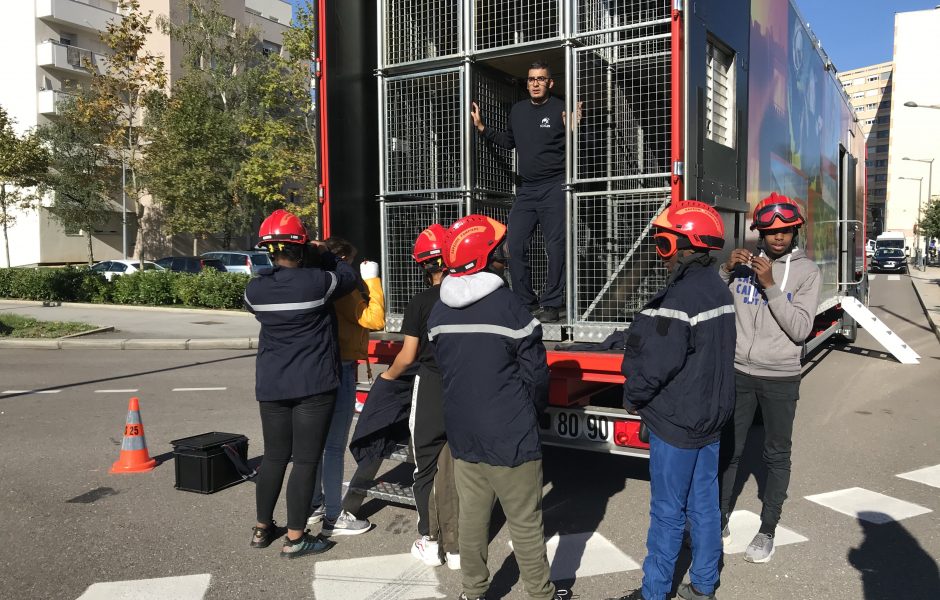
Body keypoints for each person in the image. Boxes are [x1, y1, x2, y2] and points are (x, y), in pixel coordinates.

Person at [427, 215, 560, 600]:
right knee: (526, 522)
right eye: (500, 250)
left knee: (472, 518)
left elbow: (445, 366)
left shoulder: (440, 311)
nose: (506, 255)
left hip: (464, 434)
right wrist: (532, 414)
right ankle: (540, 593)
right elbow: (537, 377)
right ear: (486, 258)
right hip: (511, 434)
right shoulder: (511, 308)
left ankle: (473, 590)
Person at [615, 200, 735, 600]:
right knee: (704, 505)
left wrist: (633, 397)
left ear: (687, 246)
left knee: (667, 512)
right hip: (711, 418)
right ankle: (703, 585)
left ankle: (654, 593)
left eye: (664, 245)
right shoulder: (718, 287)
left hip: (678, 422)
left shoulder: (681, 298)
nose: (660, 255)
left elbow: (657, 364)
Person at [244, 209, 357, 559]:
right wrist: (323, 252)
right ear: (302, 246)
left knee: (275, 457)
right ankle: (296, 537)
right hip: (313, 385)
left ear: (268, 249)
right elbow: (348, 275)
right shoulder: (317, 282)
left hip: (272, 386)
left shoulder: (256, 289)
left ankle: (263, 529)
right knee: (305, 461)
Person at [718, 192, 820, 564]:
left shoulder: (808, 272)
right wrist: (727, 271)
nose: (778, 237)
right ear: (759, 232)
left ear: (795, 232)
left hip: (780, 377)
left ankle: (767, 530)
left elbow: (800, 330)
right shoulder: (745, 265)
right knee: (729, 451)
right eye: (770, 231)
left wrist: (772, 285)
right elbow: (714, 300)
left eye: (786, 231)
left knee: (776, 455)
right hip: (739, 371)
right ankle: (719, 519)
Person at [470, 60, 578, 323]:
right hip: (528, 189)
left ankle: (552, 304)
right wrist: (483, 128)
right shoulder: (517, 111)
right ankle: (525, 302)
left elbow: (580, 148)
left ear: (550, 83)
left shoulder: (562, 109)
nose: (535, 83)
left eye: (541, 79)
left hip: (555, 185)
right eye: (531, 79)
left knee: (555, 247)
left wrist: (575, 130)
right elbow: (509, 142)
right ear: (527, 83)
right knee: (513, 244)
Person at [381, 224, 461, 569]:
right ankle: (458, 545)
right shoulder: (470, 297)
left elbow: (408, 355)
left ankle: (430, 539)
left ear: (423, 266)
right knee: (461, 468)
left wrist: (388, 377)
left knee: (425, 464)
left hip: (430, 386)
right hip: (465, 386)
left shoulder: (420, 302)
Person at [307, 236, 384, 537]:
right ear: (341, 260)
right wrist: (372, 281)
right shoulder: (343, 286)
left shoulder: (314, 281)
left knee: (314, 443)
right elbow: (374, 319)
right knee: (334, 446)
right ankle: (333, 516)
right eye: (349, 261)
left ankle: (313, 505)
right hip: (343, 363)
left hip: (320, 363)